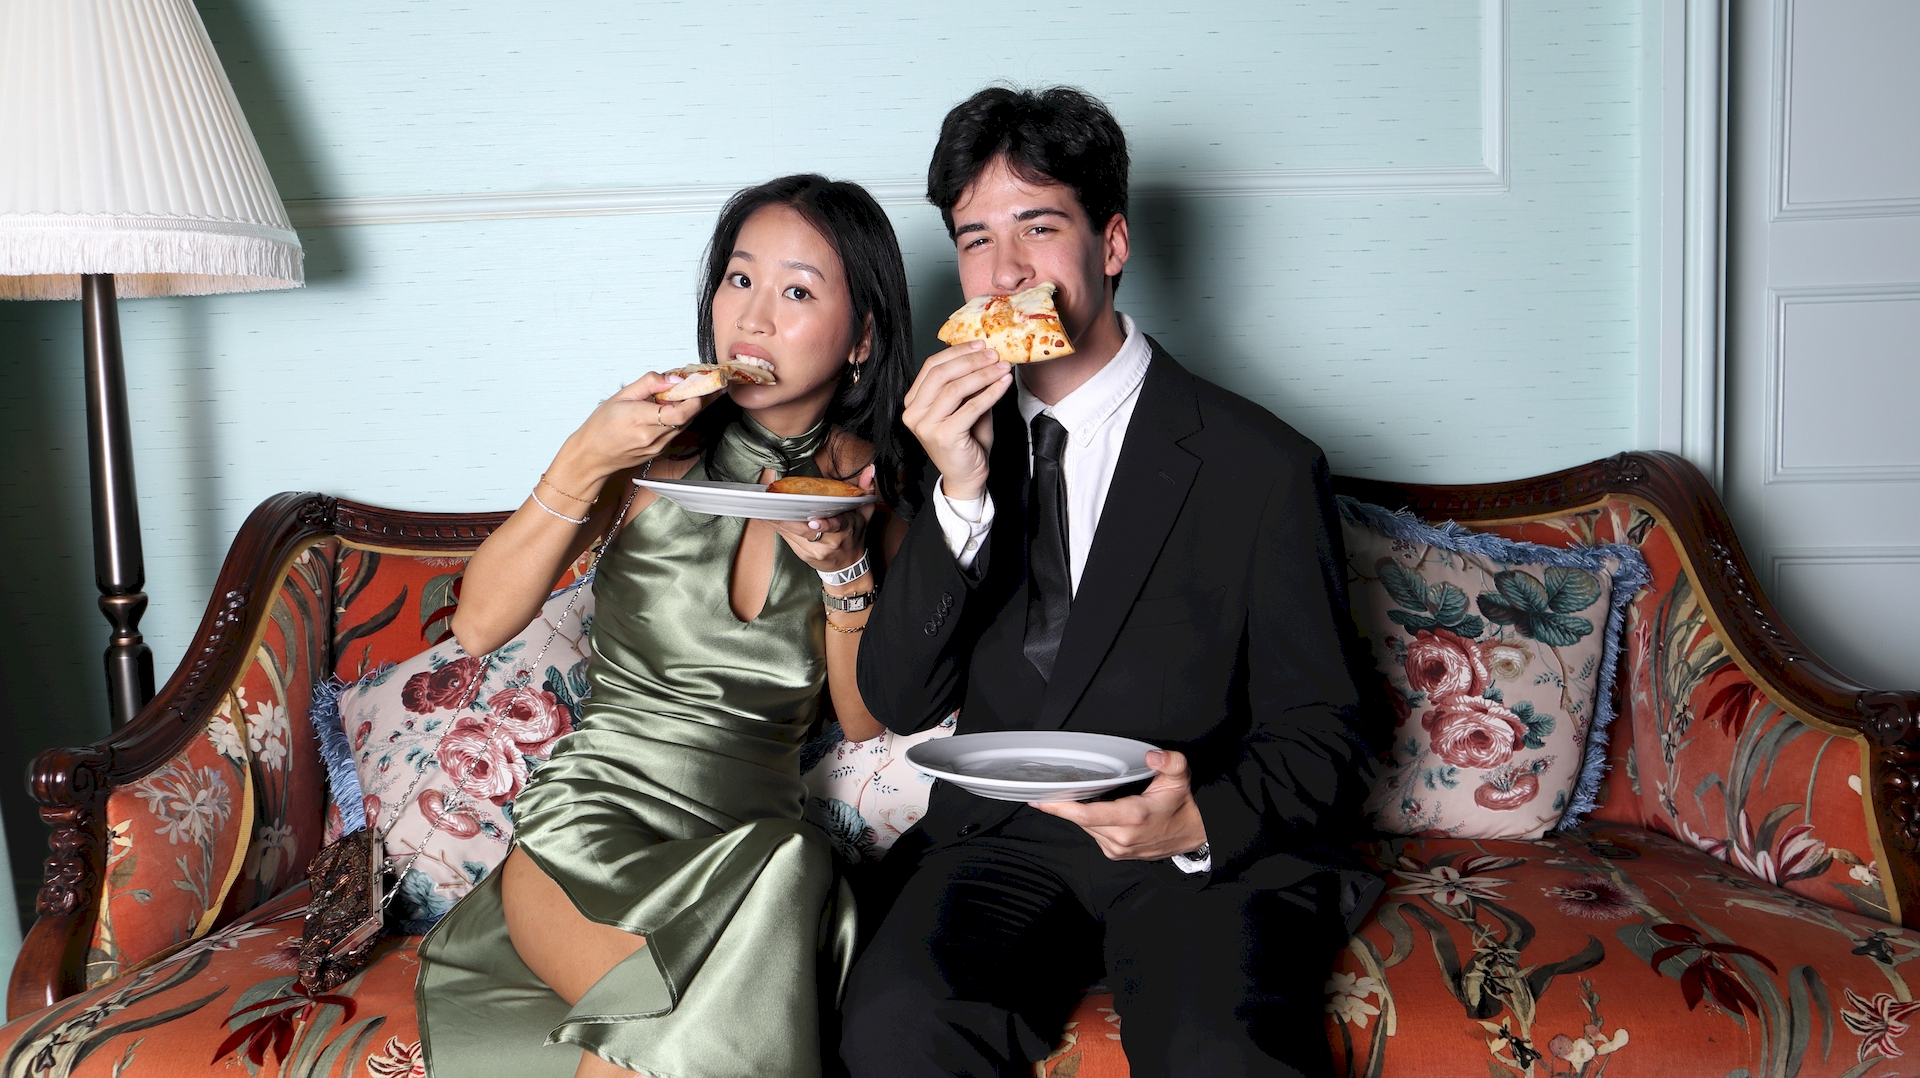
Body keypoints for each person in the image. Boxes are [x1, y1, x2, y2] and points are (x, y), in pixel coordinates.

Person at [844, 87, 1386, 1078]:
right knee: (895, 1024)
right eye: (975, 240)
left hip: (1198, 850)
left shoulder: (1261, 464)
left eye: (1039, 227)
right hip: (1001, 845)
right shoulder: (947, 443)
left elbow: (1328, 730)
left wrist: (1200, 820)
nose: (1005, 271)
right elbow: (898, 697)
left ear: (1113, 243)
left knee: (1218, 1052)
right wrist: (959, 491)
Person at [416, 174, 920, 1078]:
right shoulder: (652, 449)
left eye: (797, 292)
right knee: (712, 1006)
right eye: (740, 279)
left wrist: (845, 568)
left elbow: (863, 718)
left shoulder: (874, 492)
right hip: (591, 832)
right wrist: (585, 455)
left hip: (754, 866)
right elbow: (481, 626)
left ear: (862, 338)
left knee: (791, 864)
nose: (753, 319)